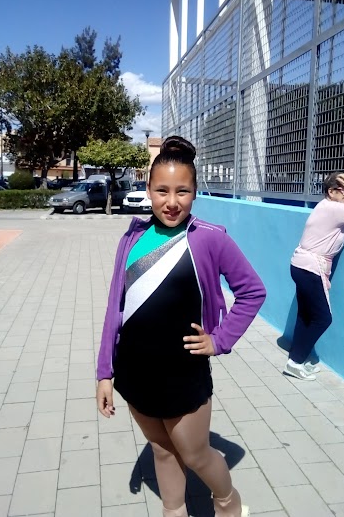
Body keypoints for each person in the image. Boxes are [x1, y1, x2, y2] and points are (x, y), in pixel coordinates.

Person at [96, 135, 266, 517]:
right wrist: (104, 372)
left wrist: (220, 340)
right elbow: (114, 309)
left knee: (195, 454)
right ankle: (173, 511)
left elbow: (252, 291)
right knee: (161, 449)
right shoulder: (132, 238)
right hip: (134, 370)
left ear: (194, 193)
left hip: (182, 371)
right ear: (148, 190)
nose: (171, 202)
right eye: (162, 191)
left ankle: (228, 503)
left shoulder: (209, 239)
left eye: (182, 191)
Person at [284, 172, 344, 381]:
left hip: (301, 265)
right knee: (322, 318)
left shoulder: (326, 207)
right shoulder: (335, 209)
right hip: (310, 268)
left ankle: (296, 358)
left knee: (306, 315)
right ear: (331, 191)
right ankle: (295, 363)